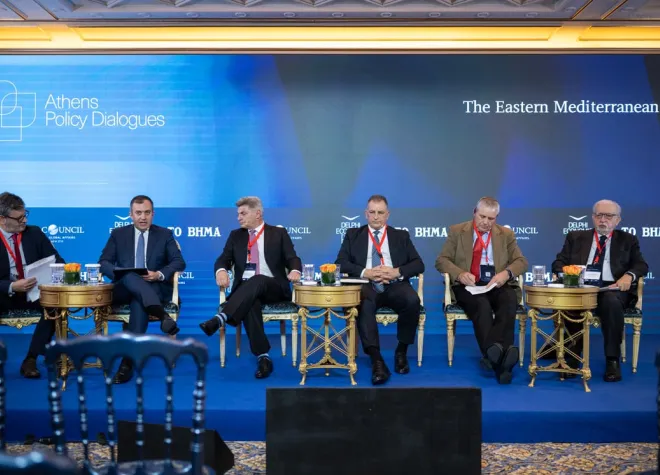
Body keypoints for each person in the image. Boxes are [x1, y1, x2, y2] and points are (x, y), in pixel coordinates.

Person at [199, 196, 302, 379]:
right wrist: (221, 271)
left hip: (273, 287)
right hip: (246, 291)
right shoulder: (236, 235)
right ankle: (263, 357)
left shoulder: (278, 233)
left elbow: (292, 257)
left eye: (243, 213)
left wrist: (295, 270)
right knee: (250, 302)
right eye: (238, 214)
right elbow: (223, 259)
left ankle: (221, 317)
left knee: (258, 279)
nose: (239, 217)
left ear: (258, 213)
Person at [552, 199, 648, 382]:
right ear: (593, 217)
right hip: (582, 287)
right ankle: (572, 357)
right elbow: (558, 262)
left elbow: (641, 265)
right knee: (572, 301)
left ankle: (612, 360)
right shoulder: (576, 237)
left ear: (618, 220)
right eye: (599, 215)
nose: (603, 220)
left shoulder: (628, 240)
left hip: (612, 288)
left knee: (611, 302)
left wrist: (629, 276)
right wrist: (568, 273)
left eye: (608, 216)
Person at [436, 196, 528, 384]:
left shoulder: (506, 234)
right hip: (468, 286)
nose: (486, 222)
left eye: (491, 218)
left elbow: (521, 261)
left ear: (496, 218)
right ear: (474, 213)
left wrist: (506, 274)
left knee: (509, 300)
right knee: (482, 305)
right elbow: (441, 260)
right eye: (482, 216)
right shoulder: (457, 231)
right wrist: (460, 274)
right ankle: (504, 366)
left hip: (495, 283)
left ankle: (491, 356)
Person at [335, 195, 424, 385]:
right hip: (367, 285)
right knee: (362, 303)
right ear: (366, 214)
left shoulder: (400, 236)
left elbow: (418, 264)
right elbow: (340, 263)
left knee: (412, 300)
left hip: (395, 284)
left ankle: (401, 351)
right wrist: (365, 272)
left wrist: (396, 272)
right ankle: (377, 360)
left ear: (387, 215)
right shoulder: (353, 235)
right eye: (372, 212)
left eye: (380, 213)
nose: (376, 217)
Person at [99, 195, 185, 384]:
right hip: (123, 289)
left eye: (147, 212)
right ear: (131, 215)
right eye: (138, 213)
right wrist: (120, 273)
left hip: (153, 288)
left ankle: (127, 364)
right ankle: (163, 316)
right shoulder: (118, 234)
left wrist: (158, 274)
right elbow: (104, 262)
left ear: (153, 214)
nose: (143, 217)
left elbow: (179, 262)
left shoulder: (165, 234)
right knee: (129, 275)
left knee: (139, 301)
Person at [0, 192, 65, 379]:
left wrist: (47, 274)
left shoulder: (34, 233)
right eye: (19, 218)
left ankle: (31, 358)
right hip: (4, 293)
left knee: (55, 304)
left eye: (25, 215)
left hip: (34, 292)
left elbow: (59, 262)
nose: (25, 221)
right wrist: (12, 286)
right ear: (3, 219)